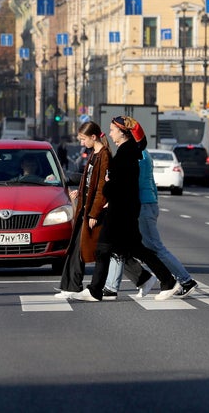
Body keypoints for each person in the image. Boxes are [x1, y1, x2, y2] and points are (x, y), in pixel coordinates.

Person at [73, 116, 165, 302]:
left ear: (123, 134)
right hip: (123, 210)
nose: (110, 134)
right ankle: (162, 280)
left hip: (121, 211)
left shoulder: (125, 154)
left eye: (113, 130)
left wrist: (108, 184)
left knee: (105, 249)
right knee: (131, 249)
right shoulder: (127, 151)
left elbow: (116, 186)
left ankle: (95, 290)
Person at [134, 124, 199, 300]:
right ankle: (170, 280)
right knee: (146, 247)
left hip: (143, 204)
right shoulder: (145, 154)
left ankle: (185, 280)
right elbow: (151, 182)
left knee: (155, 247)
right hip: (149, 203)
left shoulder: (138, 157)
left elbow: (135, 184)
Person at [54, 122, 109, 298]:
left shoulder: (104, 156)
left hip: (92, 212)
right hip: (85, 208)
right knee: (76, 248)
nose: (82, 143)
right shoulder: (95, 154)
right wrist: (82, 191)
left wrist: (94, 212)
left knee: (111, 250)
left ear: (93, 137)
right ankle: (70, 286)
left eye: (83, 139)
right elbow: (90, 182)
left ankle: (143, 278)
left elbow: (101, 188)